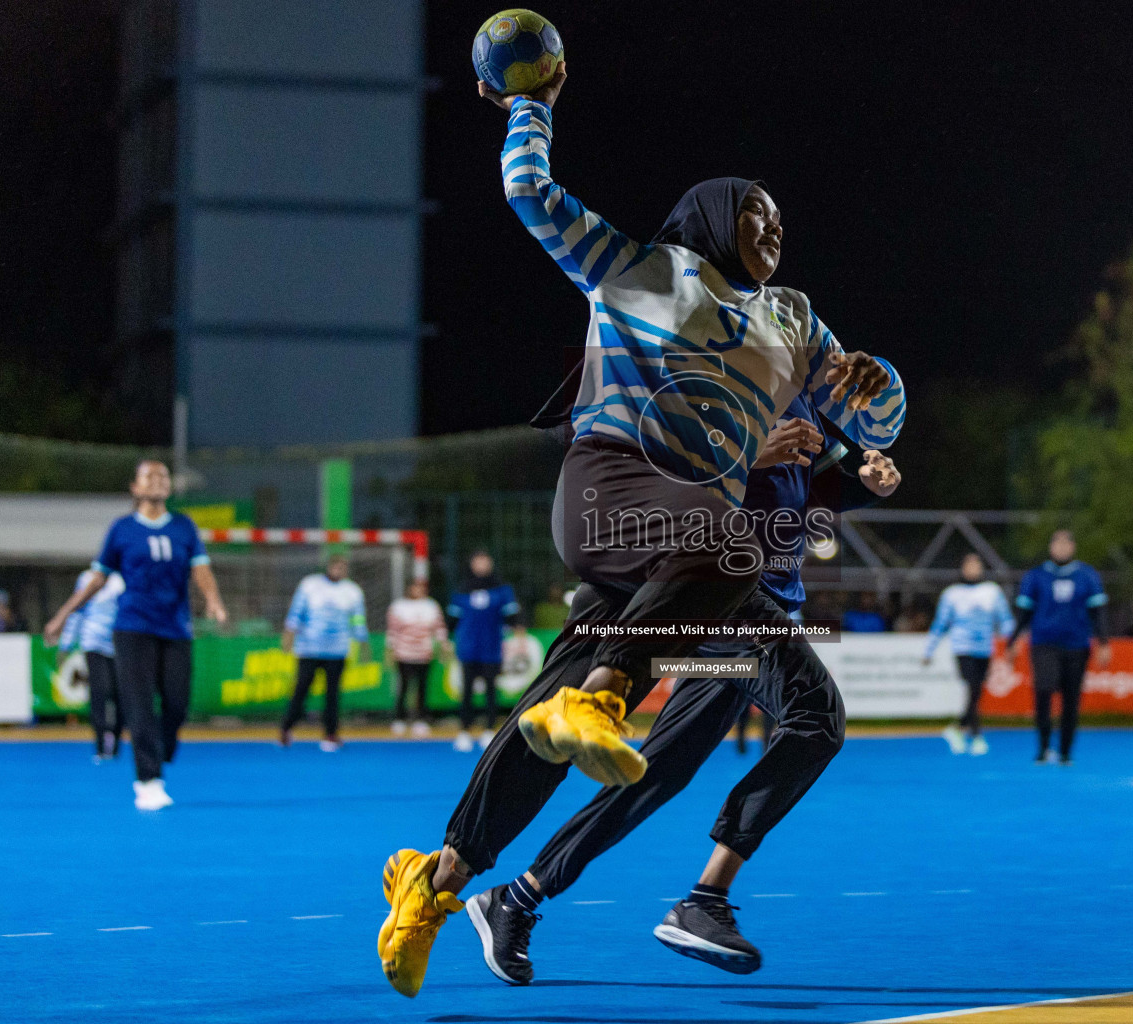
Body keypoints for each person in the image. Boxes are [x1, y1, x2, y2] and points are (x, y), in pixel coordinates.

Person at [375, 64, 904, 999]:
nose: (773, 228)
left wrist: (878, 393)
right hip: (615, 489)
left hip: (684, 565)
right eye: (755, 212)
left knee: (547, 731)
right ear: (708, 218)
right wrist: (532, 104)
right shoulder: (636, 270)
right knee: (726, 554)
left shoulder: (793, 321)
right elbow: (528, 193)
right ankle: (617, 731)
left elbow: (872, 426)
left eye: (781, 219)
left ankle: (439, 881)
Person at [456, 410, 901, 986]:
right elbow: (663, 470)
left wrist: (862, 486)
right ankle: (706, 896)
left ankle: (517, 898)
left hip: (731, 612)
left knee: (658, 769)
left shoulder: (805, 408)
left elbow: (800, 500)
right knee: (817, 714)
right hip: (728, 596)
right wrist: (748, 451)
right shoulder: (728, 392)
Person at [44, 461, 228, 810]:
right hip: (132, 629)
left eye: (163, 476)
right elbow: (97, 579)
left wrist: (214, 601)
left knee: (177, 701)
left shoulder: (184, 527)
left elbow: (201, 570)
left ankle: (163, 747)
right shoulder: (122, 529)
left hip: (175, 627)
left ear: (169, 488)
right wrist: (63, 615)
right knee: (138, 703)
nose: (157, 481)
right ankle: (148, 780)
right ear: (135, 488)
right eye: (149, 477)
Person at [1003, 530, 1108, 766]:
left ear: (1073, 547)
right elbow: (1024, 613)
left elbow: (1098, 612)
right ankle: (1042, 747)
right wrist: (1012, 642)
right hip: (1043, 643)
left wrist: (1103, 642)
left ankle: (1065, 751)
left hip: (1077, 644)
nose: (1061, 548)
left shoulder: (1087, 575)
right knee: (1043, 689)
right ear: (1051, 547)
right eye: (1057, 543)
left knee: (1071, 698)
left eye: (1066, 543)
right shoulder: (1036, 576)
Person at [922, 552, 1014, 756]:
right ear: (962, 568)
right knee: (972, 687)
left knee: (976, 692)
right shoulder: (952, 593)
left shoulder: (992, 591)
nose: (973, 569)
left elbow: (1005, 619)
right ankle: (977, 735)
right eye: (969, 565)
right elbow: (941, 623)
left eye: (976, 565)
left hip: (984, 649)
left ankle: (956, 728)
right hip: (962, 648)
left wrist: (1012, 642)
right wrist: (929, 649)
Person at [279, 553, 369, 752]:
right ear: (328, 567)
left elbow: (358, 619)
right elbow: (296, 612)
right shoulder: (310, 585)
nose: (339, 571)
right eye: (336, 567)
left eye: (343, 568)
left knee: (332, 694)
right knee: (301, 689)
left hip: (337, 651)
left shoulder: (352, 591)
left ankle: (331, 734)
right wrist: (288, 636)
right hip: (309, 650)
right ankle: (286, 728)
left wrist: (363, 642)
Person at [447, 551, 521, 751]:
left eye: (485, 561)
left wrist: (520, 638)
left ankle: (489, 730)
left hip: (492, 649)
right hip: (468, 648)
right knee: (467, 692)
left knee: (490, 690)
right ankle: (464, 732)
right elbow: (451, 622)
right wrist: (446, 641)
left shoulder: (502, 590)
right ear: (471, 564)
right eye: (478, 561)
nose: (481, 565)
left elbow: (513, 617)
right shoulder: (461, 590)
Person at [58, 569, 126, 761]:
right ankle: (100, 744)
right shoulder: (86, 579)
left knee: (119, 695)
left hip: (119, 645)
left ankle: (116, 742)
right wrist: (66, 644)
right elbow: (77, 611)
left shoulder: (121, 580)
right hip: (93, 644)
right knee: (100, 692)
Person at [386, 577, 449, 738]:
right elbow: (392, 631)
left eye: (421, 588)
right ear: (409, 589)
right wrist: (390, 651)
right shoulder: (399, 607)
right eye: (415, 587)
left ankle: (421, 719)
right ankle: (399, 718)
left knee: (422, 687)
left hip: (424, 654)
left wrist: (444, 646)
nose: (418, 591)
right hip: (404, 654)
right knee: (404, 686)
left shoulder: (431, 606)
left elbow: (440, 629)